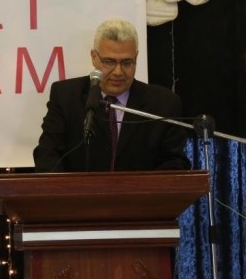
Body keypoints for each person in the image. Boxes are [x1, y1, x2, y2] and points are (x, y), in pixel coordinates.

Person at [33, 18, 191, 172]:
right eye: (109, 62)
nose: (118, 72)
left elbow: (175, 163)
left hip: (139, 191)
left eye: (127, 63)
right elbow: (47, 155)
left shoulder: (164, 104)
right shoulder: (66, 96)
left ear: (136, 58)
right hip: (78, 191)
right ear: (94, 57)